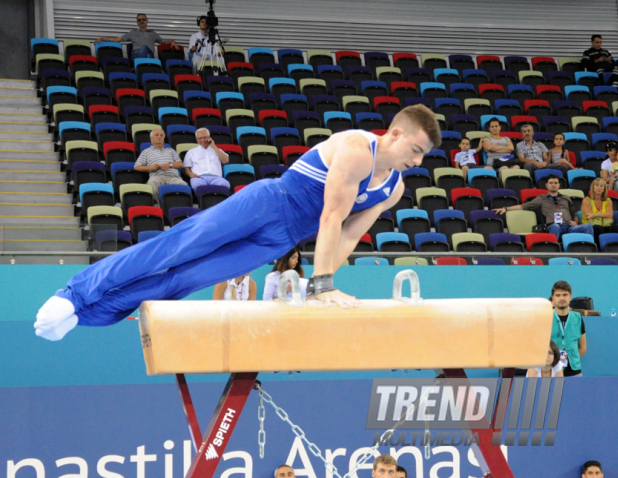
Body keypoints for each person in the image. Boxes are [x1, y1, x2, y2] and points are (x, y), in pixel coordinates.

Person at [34, 105, 440, 341]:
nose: (418, 161)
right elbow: (332, 217)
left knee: (187, 279)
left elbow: (350, 233)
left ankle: (91, 313)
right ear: (395, 132)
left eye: (425, 156)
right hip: (268, 202)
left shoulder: (393, 189)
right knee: (177, 246)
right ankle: (74, 293)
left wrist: (326, 282)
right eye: (416, 149)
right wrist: (321, 285)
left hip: (282, 238)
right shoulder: (355, 148)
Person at [494, 176, 594, 241]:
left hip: (569, 226)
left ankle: (589, 253)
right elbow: (524, 206)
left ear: (559, 185)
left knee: (588, 227)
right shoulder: (542, 198)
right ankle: (554, 251)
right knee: (555, 226)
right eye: (551, 183)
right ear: (547, 185)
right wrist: (506, 208)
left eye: (555, 183)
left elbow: (574, 214)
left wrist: (575, 222)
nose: (553, 185)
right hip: (553, 226)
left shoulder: (566, 198)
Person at [134, 128, 188, 202]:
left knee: (183, 185)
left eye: (161, 135)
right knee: (151, 183)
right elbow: (137, 167)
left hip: (173, 176)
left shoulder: (171, 150)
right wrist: (150, 167)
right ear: (151, 139)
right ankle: (162, 205)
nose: (159, 137)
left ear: (164, 138)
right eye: (157, 135)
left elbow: (180, 164)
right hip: (156, 176)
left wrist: (170, 165)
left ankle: (176, 203)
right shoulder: (146, 152)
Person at [95, 13, 179, 60]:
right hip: (136, 54)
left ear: (147, 21)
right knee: (143, 48)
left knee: (146, 49)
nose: (141, 21)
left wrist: (172, 41)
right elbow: (118, 39)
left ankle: (145, 64)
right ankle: (144, 63)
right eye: (139, 20)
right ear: (137, 23)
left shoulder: (152, 33)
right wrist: (102, 38)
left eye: (143, 19)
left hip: (149, 54)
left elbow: (163, 42)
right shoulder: (132, 32)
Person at [550, 281, 586, 377]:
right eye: (558, 295)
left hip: (574, 371)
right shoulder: (546, 318)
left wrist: (573, 359)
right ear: (553, 298)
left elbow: (583, 347)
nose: (561, 298)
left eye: (565, 294)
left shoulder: (577, 318)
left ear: (570, 297)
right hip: (551, 370)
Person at [182, 128, 230, 192]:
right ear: (196, 139)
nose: (203, 140)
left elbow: (226, 160)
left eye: (205, 137)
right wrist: (191, 175)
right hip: (199, 178)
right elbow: (186, 167)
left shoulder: (217, 150)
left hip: (216, 178)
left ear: (209, 138)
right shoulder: (191, 152)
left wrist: (214, 147)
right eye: (200, 138)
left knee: (225, 184)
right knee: (197, 185)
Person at [581, 177, 614, 246]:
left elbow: (610, 215)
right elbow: (589, 216)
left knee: (616, 229)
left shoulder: (608, 200)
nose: (599, 188)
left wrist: (595, 215)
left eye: (601, 186)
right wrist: (604, 215)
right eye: (597, 185)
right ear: (593, 188)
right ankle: (599, 249)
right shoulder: (586, 200)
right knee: (598, 228)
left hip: (606, 224)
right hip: (591, 225)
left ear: (604, 189)